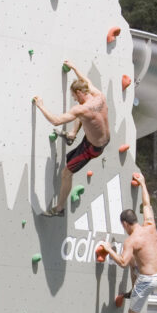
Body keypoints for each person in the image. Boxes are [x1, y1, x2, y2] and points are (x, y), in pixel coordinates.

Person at [98, 171, 157, 313]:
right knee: (135, 261)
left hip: (148, 280)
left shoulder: (132, 241)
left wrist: (108, 248)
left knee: (133, 311)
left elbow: (121, 262)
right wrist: (142, 183)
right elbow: (147, 204)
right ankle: (133, 290)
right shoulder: (150, 225)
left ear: (125, 224)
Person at [33, 59, 110, 216]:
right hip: (102, 140)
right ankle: (74, 133)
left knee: (66, 173)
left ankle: (59, 209)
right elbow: (86, 81)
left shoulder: (81, 109)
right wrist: (74, 67)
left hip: (92, 149)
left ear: (80, 93)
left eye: (74, 96)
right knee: (82, 116)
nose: (74, 99)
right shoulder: (99, 96)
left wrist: (41, 106)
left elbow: (55, 120)